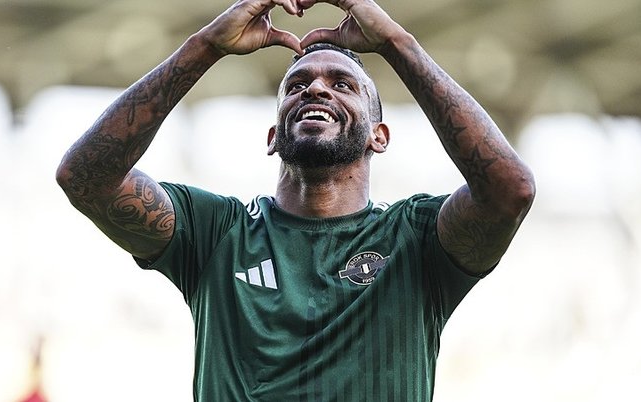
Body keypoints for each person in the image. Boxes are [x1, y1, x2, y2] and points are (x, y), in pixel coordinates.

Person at [56, 0, 535, 400]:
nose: (316, 88)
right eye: (296, 86)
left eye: (342, 84)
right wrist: (205, 46)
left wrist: (395, 41)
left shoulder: (415, 238)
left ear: (379, 136)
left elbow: (510, 191)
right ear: (272, 137)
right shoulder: (217, 231)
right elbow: (85, 179)